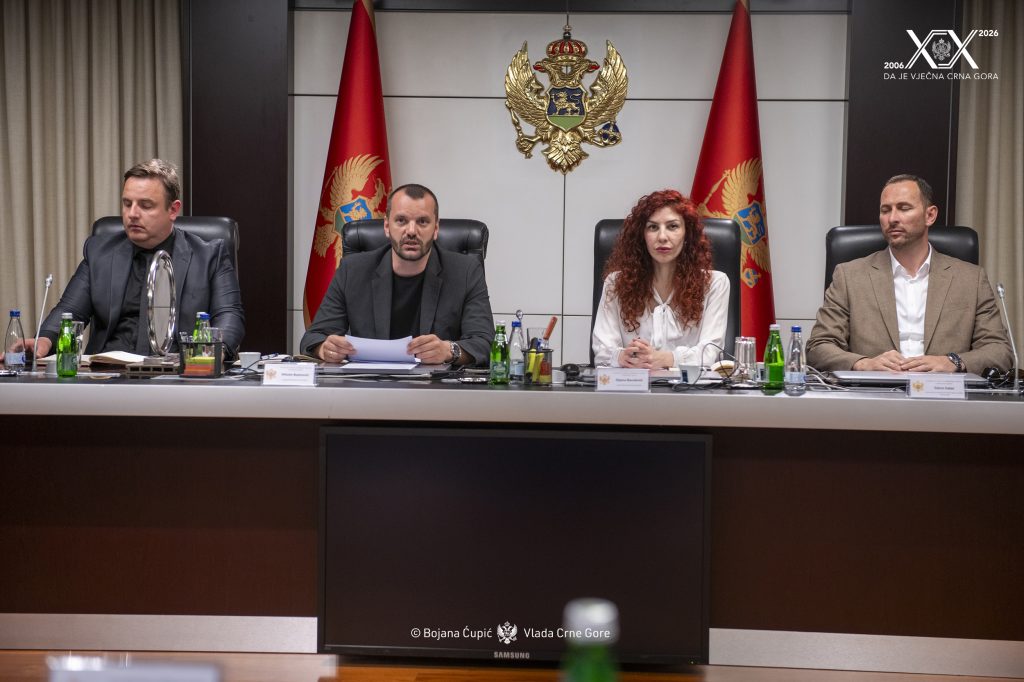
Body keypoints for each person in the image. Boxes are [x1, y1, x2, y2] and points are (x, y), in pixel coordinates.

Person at [32, 159, 244, 359]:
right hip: (108, 373)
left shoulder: (209, 256)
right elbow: (70, 311)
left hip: (178, 373)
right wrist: (44, 340)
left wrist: (212, 353)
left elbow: (229, 316)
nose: (132, 214)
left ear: (173, 210)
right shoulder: (100, 252)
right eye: (127, 204)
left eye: (145, 205)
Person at [806, 174, 1011, 374]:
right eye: (885, 210)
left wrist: (953, 362)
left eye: (904, 208)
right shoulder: (849, 276)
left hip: (944, 392)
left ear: (930, 215)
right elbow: (819, 346)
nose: (892, 218)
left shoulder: (970, 279)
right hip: (874, 392)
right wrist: (863, 364)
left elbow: (999, 351)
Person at [300, 183, 493, 366]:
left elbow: (485, 343)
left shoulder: (465, 271)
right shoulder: (352, 270)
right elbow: (313, 337)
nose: (411, 231)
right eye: (401, 221)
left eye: (422, 222)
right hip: (369, 384)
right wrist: (325, 348)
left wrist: (449, 350)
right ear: (387, 226)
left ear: (435, 229)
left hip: (436, 386)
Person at [592, 189, 730, 368]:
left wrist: (664, 359)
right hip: (633, 384)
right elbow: (602, 352)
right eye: (653, 227)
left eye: (672, 226)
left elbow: (710, 353)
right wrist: (622, 357)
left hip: (690, 386)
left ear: (687, 234)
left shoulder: (715, 284)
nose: (662, 237)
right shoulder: (616, 282)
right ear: (642, 236)